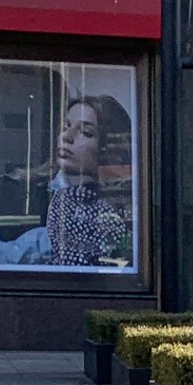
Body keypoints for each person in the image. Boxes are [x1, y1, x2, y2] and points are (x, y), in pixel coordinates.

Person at [44, 95, 131, 267]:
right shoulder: (34, 192)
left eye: (86, 133)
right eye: (66, 126)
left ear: (107, 148)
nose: (66, 136)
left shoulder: (113, 208)